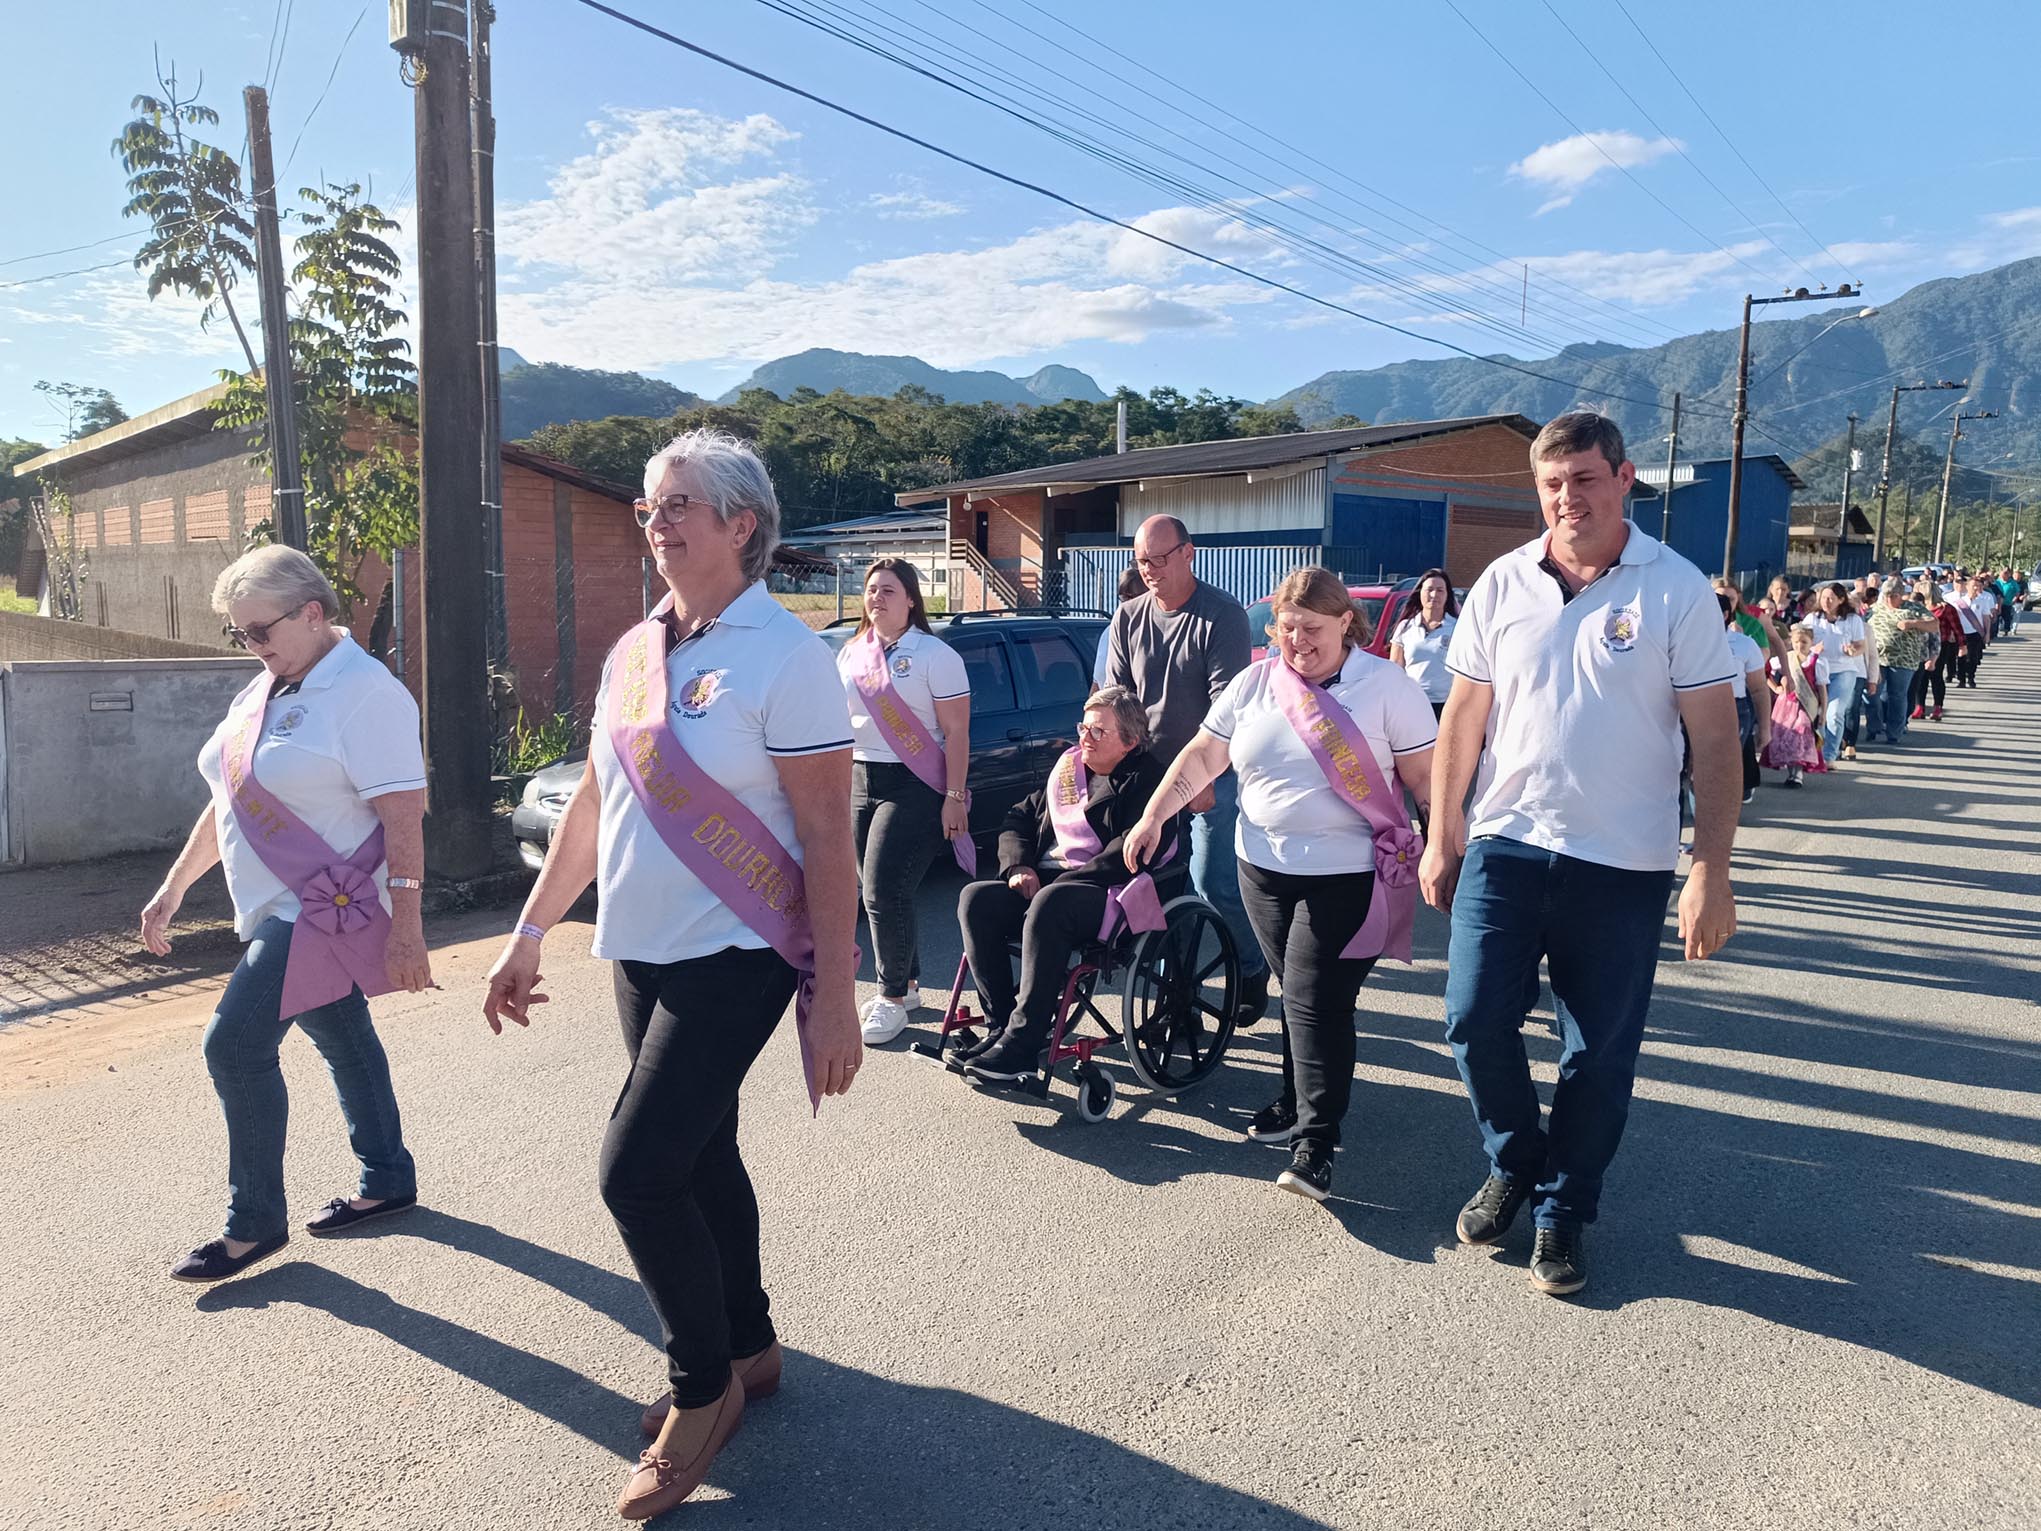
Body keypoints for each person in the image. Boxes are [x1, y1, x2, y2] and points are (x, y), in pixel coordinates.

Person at [482, 429, 861, 1522]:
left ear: (742, 522)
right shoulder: (634, 652)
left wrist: (832, 994)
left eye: (680, 502)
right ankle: (748, 1344)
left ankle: (701, 1391)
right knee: (701, 1154)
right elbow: (594, 809)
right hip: (638, 949)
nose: (657, 522)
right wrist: (529, 930)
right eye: (649, 505)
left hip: (739, 954)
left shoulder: (787, 658)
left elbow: (829, 843)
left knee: (634, 1172)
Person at [1419, 410, 1739, 1299]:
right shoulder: (1499, 585)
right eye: (1553, 483)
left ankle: (1563, 1209)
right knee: (1473, 1018)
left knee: (1597, 1056)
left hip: (1623, 862)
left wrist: (1709, 867)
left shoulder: (1672, 588)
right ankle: (1515, 1160)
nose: (1569, 498)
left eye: (1585, 479)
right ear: (1538, 489)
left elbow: (1714, 741)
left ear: (1624, 477)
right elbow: (1462, 720)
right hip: (1507, 844)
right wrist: (1444, 834)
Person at [139, 545, 431, 1284]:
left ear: (312, 611)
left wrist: (407, 925)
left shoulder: (366, 692)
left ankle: (254, 1223)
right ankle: (388, 1175)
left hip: (319, 911)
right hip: (273, 906)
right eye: (240, 635)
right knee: (341, 1034)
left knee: (233, 1047)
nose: (253, 647)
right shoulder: (265, 686)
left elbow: (403, 813)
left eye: (260, 630)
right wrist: (174, 887)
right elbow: (229, 798)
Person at [1126, 567, 1436, 1200]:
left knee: (1311, 996)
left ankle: (1317, 1143)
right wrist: (1154, 814)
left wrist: (1445, 850)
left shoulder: (1386, 688)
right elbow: (1203, 758)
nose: (1298, 642)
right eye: (1288, 629)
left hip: (1348, 874)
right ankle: (1296, 1099)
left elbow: (1427, 780)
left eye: (1313, 629)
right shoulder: (1255, 684)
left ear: (1347, 621)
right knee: (1304, 995)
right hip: (1262, 870)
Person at [1106, 515, 1270, 1027]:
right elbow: (1115, 701)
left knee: (1211, 882)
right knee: (1150, 887)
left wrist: (1200, 782)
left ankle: (1250, 966)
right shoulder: (1128, 618)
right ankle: (1171, 999)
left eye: (1159, 558)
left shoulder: (1220, 616)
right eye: (1140, 560)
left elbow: (1228, 708)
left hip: (1207, 772)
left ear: (1188, 553)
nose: (1149, 569)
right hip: (1146, 775)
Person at [955, 686, 1165, 1082]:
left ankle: (1022, 1043)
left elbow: (1129, 851)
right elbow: (1018, 817)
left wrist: (1063, 880)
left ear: (1130, 741)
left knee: (1052, 902)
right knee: (975, 899)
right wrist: (1019, 866)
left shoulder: (1148, 780)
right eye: (1083, 727)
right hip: (1048, 884)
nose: (1084, 737)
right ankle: (1002, 1027)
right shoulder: (1069, 768)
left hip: (1108, 890)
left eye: (1098, 732)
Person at [838, 558, 972, 1045]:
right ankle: (910, 983)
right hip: (860, 777)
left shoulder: (936, 655)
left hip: (916, 784)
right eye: (871, 590)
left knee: (880, 890)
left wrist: (954, 796)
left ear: (911, 599)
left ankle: (890, 996)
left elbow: (957, 732)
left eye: (888, 591)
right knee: (882, 888)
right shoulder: (853, 653)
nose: (876, 598)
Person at [1866, 578, 1934, 745]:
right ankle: (1874, 726)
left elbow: (1934, 625)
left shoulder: (1914, 608)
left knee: (1897, 696)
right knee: (1873, 695)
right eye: (1887, 595)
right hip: (1879, 659)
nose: (1890, 599)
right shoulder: (1875, 609)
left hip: (1904, 660)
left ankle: (1894, 732)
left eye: (1894, 595)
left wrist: (1913, 624)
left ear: (1902, 595)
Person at [1808, 583, 1869, 762]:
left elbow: (1861, 645)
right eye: (1824, 597)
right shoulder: (1813, 619)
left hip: (1843, 671)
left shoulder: (1852, 620)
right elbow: (1800, 640)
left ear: (1841, 600)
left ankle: (1829, 756)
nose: (1826, 601)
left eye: (1831, 598)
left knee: (1834, 713)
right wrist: (1811, 649)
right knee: (1815, 713)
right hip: (1818, 671)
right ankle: (1813, 751)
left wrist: (1853, 650)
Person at [1387, 566, 1458, 718]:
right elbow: (1395, 668)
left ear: (1447, 595)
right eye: (1429, 589)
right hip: (1412, 703)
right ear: (1420, 593)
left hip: (1445, 705)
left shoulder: (1457, 628)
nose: (1434, 595)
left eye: (1440, 590)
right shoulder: (1405, 627)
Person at [1762, 624, 1828, 787]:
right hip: (1785, 706)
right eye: (1797, 641)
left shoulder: (1817, 662)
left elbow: (1822, 690)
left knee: (1800, 734)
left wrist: (1823, 713)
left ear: (1811, 642)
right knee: (1787, 736)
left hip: (1806, 706)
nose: (1800, 645)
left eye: (1804, 642)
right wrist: (1775, 687)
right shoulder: (1786, 659)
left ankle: (1798, 774)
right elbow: (1765, 671)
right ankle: (1791, 773)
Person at [1720, 592, 1770, 804]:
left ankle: (1710, 826)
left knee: (1718, 766)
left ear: (1724, 615)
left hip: (1734, 709)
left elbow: (1759, 689)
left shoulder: (1744, 644)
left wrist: (1765, 728)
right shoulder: (1683, 641)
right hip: (1690, 708)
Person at [1092, 565, 1147, 689]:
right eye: (1123, 597)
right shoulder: (1110, 632)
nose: (1127, 604)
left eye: (1133, 597)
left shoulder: (1155, 634)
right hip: (1110, 704)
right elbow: (1097, 683)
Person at [1928, 579, 1964, 718]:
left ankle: (1938, 706)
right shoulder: (1917, 607)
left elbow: (1957, 627)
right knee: (1921, 678)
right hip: (1920, 645)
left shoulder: (1946, 608)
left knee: (1936, 675)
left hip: (1940, 645)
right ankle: (1919, 706)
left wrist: (1962, 645)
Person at [1951, 576, 1990, 687]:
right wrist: (1953, 633)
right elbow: (1955, 618)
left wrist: (1987, 633)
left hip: (1975, 633)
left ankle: (1971, 678)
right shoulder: (1959, 602)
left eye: (1978, 586)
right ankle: (1961, 680)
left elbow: (1986, 618)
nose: (1976, 588)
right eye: (1974, 586)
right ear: (1967, 587)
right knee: (1961, 657)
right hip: (1962, 633)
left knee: (1973, 657)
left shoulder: (1983, 601)